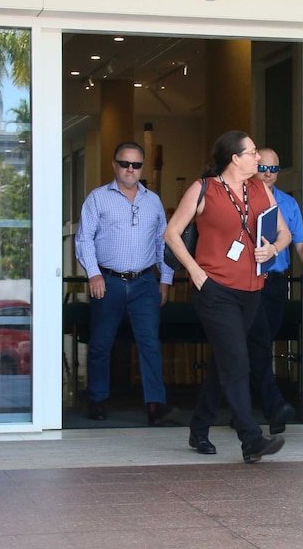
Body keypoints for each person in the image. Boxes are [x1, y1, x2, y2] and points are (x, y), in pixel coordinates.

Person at [164, 131, 292, 463]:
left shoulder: (261, 189)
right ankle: (251, 439)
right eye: (252, 153)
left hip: (253, 289)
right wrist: (195, 272)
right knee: (237, 359)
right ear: (235, 158)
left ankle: (199, 427)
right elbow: (172, 233)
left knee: (225, 361)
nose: (258, 159)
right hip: (215, 289)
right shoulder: (204, 188)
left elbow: (284, 232)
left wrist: (273, 248)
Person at [75, 141, 178, 426]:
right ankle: (96, 400)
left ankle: (155, 406)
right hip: (108, 281)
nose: (130, 169)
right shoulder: (98, 198)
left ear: (141, 168)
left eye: (136, 165)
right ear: (114, 165)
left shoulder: (153, 201)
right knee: (100, 343)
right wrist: (93, 273)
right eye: (125, 163)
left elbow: (163, 243)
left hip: (145, 281)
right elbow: (84, 239)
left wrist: (165, 280)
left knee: (150, 343)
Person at [246, 148, 303, 434]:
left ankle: (239, 409)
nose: (268, 173)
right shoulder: (240, 198)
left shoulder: (288, 204)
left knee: (258, 345)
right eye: (262, 167)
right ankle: (274, 407)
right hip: (249, 282)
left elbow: (301, 242)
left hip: (276, 284)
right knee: (260, 344)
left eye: (274, 169)